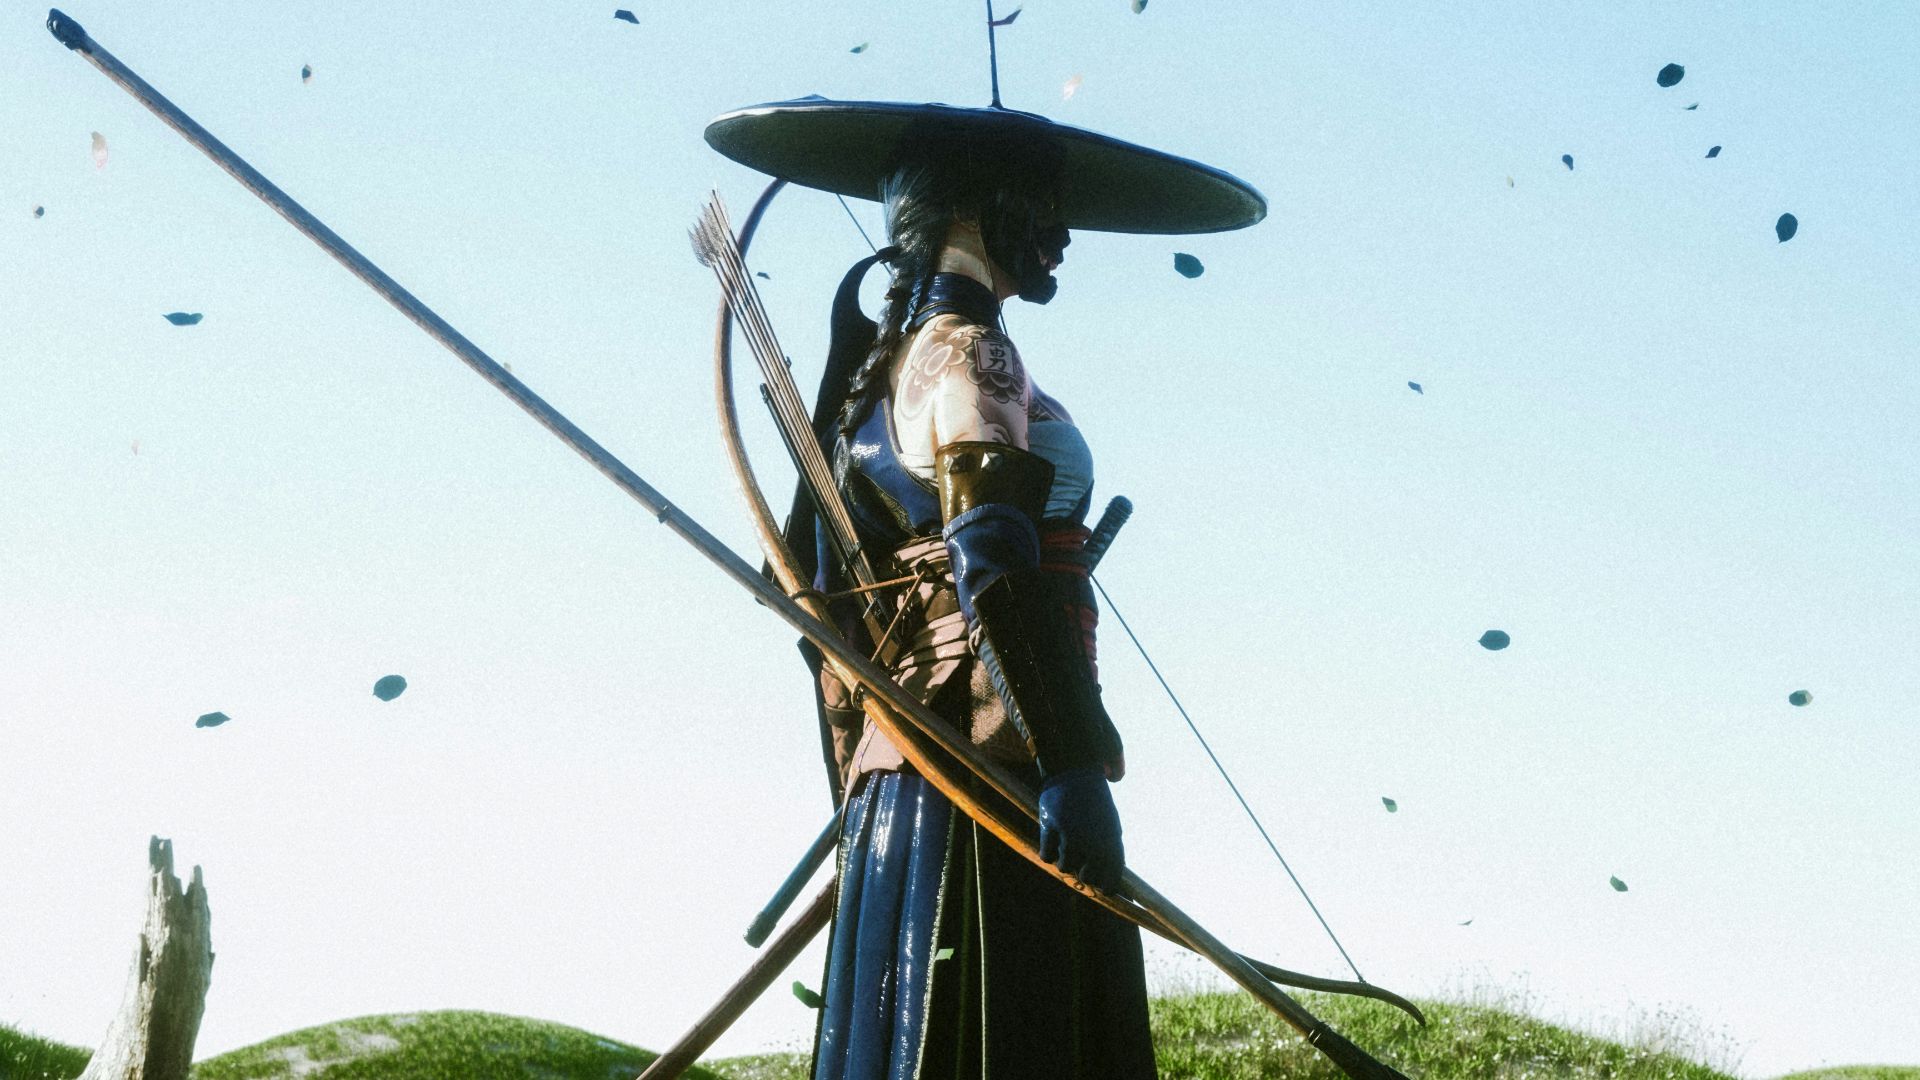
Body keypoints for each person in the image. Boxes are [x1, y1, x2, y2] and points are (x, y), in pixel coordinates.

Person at [703, 97, 1264, 1080]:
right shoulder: (972, 352)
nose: (1063, 234)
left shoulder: (886, 377)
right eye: (1040, 204)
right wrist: (1070, 765)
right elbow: (993, 558)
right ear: (968, 210)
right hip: (988, 775)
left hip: (914, 782)